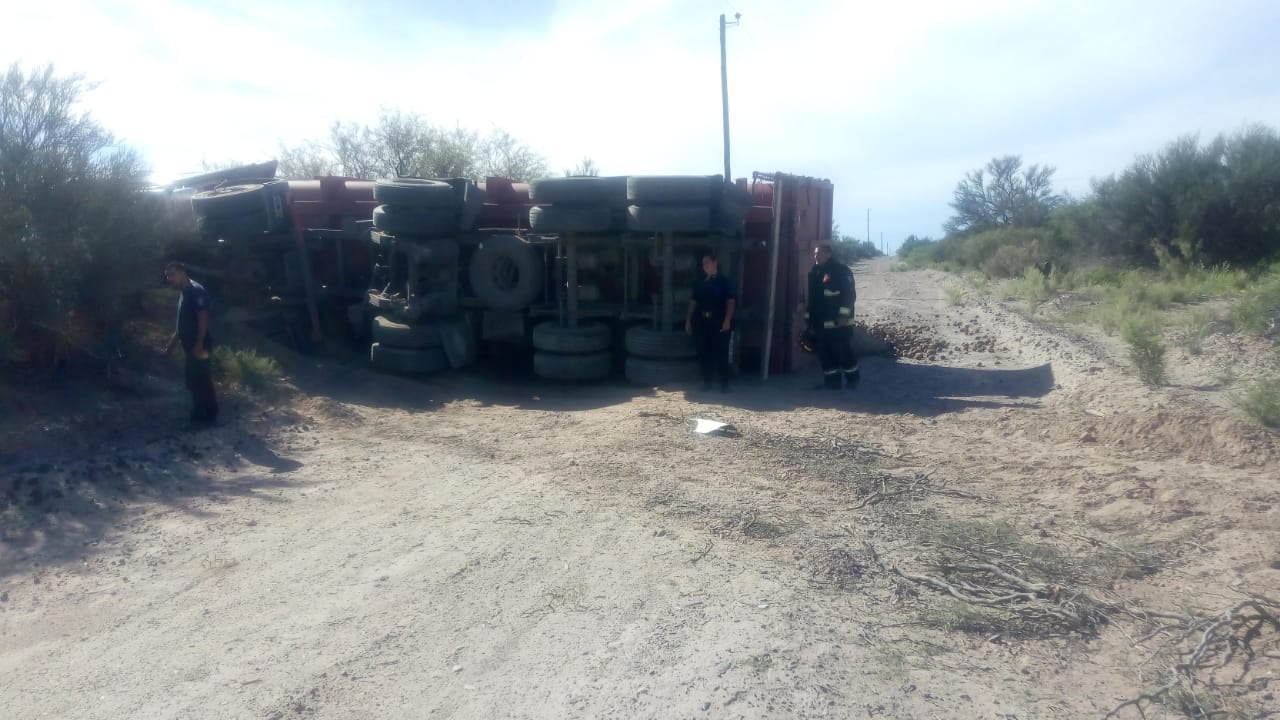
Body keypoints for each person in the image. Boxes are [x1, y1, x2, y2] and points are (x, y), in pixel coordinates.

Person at [163, 262, 219, 426]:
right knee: (194, 379)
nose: (169, 278)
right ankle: (200, 413)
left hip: (199, 344)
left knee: (201, 378)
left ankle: (208, 414)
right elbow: (182, 323)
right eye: (167, 275)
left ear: (182, 273)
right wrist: (172, 343)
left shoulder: (195, 291)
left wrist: (199, 343)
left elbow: (203, 318)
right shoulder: (184, 292)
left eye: (172, 274)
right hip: (191, 345)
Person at [806, 244, 859, 390]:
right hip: (820, 322)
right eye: (815, 254)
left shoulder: (841, 270)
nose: (817, 256)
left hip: (839, 322)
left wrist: (843, 315)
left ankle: (853, 379)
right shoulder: (815, 272)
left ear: (829, 254)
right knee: (824, 353)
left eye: (820, 253)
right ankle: (832, 382)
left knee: (842, 351)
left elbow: (849, 295)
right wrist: (808, 317)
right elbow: (813, 298)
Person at [684, 251, 736, 392]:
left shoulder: (724, 282)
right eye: (703, 263)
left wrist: (727, 320)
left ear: (715, 262)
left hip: (719, 320)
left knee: (721, 352)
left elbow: (730, 302)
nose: (704, 265)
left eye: (707, 262)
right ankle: (707, 382)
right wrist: (688, 320)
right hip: (702, 321)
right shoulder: (699, 282)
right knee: (703, 352)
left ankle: (724, 384)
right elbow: (693, 302)